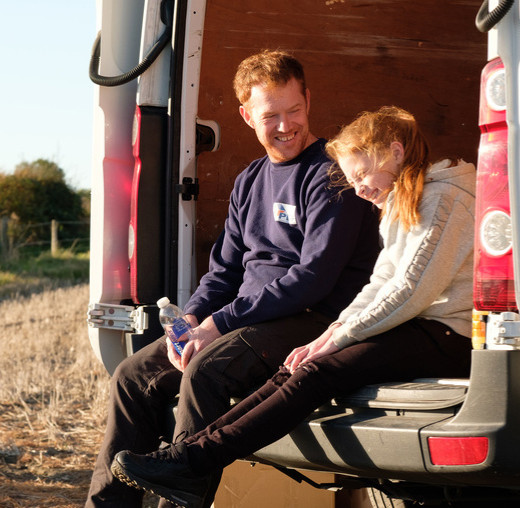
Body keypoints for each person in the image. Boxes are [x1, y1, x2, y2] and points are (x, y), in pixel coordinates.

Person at [109, 106, 477, 508]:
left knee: (317, 372)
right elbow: (380, 282)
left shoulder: (443, 198)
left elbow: (408, 291)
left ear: (395, 152)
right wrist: (333, 333)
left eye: (361, 176)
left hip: (447, 333)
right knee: (296, 367)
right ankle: (189, 458)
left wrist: (339, 337)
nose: (358, 190)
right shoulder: (402, 200)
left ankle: (191, 461)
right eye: (352, 180)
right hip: (414, 325)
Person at [85, 50, 381, 508]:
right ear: (246, 116)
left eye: (294, 110)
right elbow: (224, 271)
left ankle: (182, 491)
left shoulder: (332, 173)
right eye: (270, 116)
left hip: (313, 317)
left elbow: (313, 278)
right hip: (251, 319)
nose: (285, 125)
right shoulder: (249, 180)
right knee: (131, 376)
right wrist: (190, 321)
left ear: (308, 100)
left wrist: (218, 325)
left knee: (208, 370)